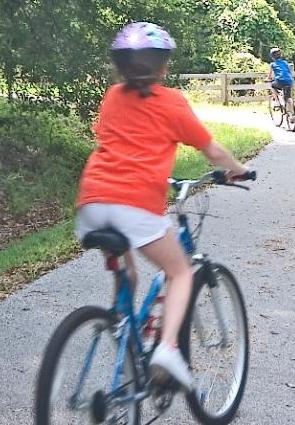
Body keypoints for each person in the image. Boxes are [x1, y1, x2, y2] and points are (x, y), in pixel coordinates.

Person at [75, 22, 251, 389]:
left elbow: (119, 142)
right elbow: (211, 149)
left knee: (130, 276)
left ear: (121, 67)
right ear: (163, 67)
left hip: (91, 203)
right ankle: (167, 349)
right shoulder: (171, 102)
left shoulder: (110, 97)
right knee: (181, 272)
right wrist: (239, 170)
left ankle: (124, 352)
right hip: (134, 205)